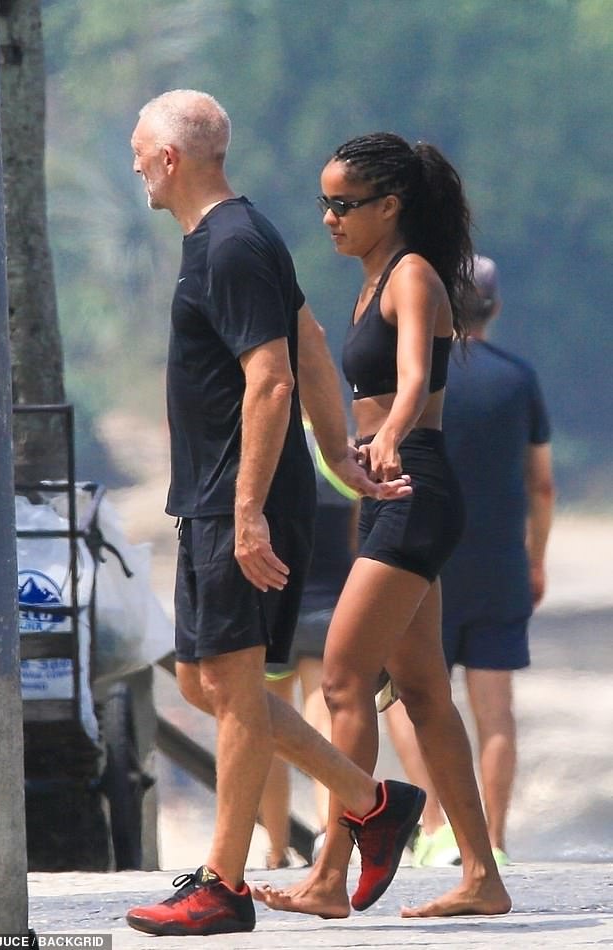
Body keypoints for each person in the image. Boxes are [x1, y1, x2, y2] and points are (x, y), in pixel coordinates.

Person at [125, 91, 421, 938]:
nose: (136, 164)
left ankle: (221, 886)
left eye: (140, 150)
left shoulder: (231, 244)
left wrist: (250, 511)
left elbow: (275, 376)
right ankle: (374, 802)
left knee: (236, 687)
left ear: (172, 157)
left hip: (237, 497)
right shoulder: (229, 239)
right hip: (223, 494)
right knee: (207, 681)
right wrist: (340, 457)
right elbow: (313, 342)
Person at [253, 133, 512, 919]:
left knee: (342, 678)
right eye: (324, 203)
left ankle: (331, 873)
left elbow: (412, 383)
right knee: (426, 693)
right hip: (383, 494)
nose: (329, 218)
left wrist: (393, 431)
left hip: (415, 487)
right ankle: (481, 875)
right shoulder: (369, 281)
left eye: (344, 204)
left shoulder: (414, 277)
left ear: (388, 207)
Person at [385, 255, 555, 868]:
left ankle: (434, 823)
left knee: (410, 695)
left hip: (425, 557)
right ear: (496, 307)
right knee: (495, 708)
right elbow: (541, 485)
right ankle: (496, 840)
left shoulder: (417, 377)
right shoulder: (518, 377)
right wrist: (536, 561)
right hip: (500, 561)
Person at [260, 416, 359, 869]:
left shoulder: (263, 447)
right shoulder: (339, 449)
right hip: (329, 608)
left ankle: (275, 847)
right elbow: (357, 538)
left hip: (275, 606)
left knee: (267, 729)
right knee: (322, 724)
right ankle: (326, 834)